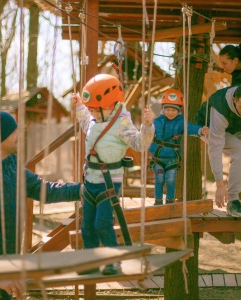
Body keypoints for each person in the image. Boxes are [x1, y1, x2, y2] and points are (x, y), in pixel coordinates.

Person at [0, 110, 83, 300]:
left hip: (6, 266)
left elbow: (44, 189)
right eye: (14, 130)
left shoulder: (11, 164)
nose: (19, 134)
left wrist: (83, 190)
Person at [72, 74, 154, 275]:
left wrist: (147, 126)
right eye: (90, 109)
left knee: (102, 223)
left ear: (109, 106)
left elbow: (140, 144)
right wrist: (79, 105)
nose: (91, 113)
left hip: (109, 181)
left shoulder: (122, 123)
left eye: (94, 109)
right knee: (87, 225)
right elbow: (84, 119)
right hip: (90, 179)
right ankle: (90, 261)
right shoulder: (93, 119)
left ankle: (113, 261)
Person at [148, 89, 209, 205]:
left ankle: (170, 201)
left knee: (171, 181)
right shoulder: (157, 122)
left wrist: (200, 130)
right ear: (163, 109)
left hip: (172, 159)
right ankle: (158, 201)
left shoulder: (181, 122)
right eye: (168, 109)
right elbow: (147, 131)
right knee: (159, 180)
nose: (170, 112)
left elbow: (190, 128)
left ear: (179, 111)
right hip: (158, 158)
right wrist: (146, 125)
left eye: (173, 110)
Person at [207, 82, 241, 217]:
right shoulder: (220, 109)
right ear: (234, 99)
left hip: (236, 128)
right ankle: (233, 200)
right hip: (210, 130)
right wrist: (219, 185)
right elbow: (214, 148)